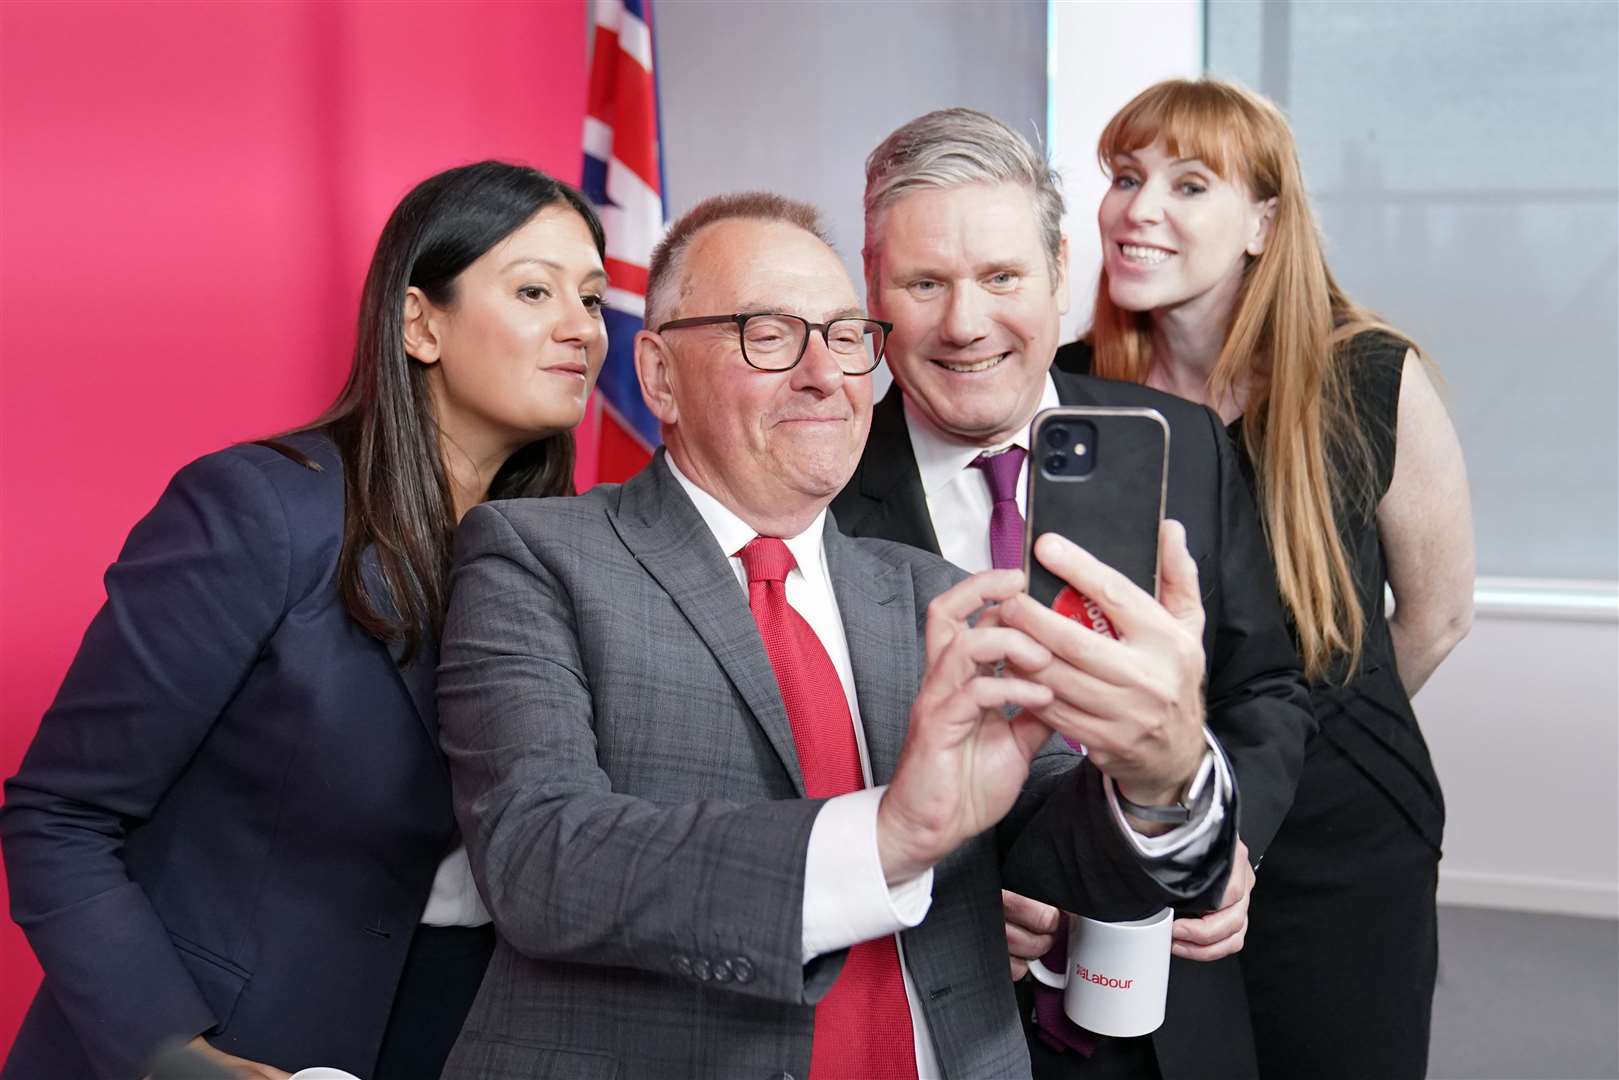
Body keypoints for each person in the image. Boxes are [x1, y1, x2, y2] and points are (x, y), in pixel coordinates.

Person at [435, 191, 1239, 1080]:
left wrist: (1161, 772)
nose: (826, 374)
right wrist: (889, 836)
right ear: (659, 376)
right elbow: (541, 864)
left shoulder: (941, 597)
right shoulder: (536, 554)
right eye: (770, 333)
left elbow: (1085, 860)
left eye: (848, 336)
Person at [0, 161, 609, 1080]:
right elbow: (58, 816)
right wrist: (174, 1056)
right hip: (214, 1046)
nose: (580, 329)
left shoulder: (567, 558)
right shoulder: (257, 509)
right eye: (534, 291)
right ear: (419, 323)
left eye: (595, 300)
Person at [831, 107, 1315, 1080]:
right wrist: (954, 891)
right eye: (925, 283)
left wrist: (1219, 842)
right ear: (874, 288)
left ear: (1059, 270)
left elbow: (1263, 687)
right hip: (945, 1013)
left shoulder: (1179, 445)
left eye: (1001, 277)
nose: (964, 324)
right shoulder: (822, 493)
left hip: (1171, 997)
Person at [1057, 78, 1474, 1079]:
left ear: (1262, 222)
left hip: (1344, 837)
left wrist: (1293, 746)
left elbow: (1435, 615)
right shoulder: (1075, 393)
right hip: (1138, 826)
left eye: (1188, 185)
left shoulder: (1369, 375)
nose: (1138, 209)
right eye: (1124, 177)